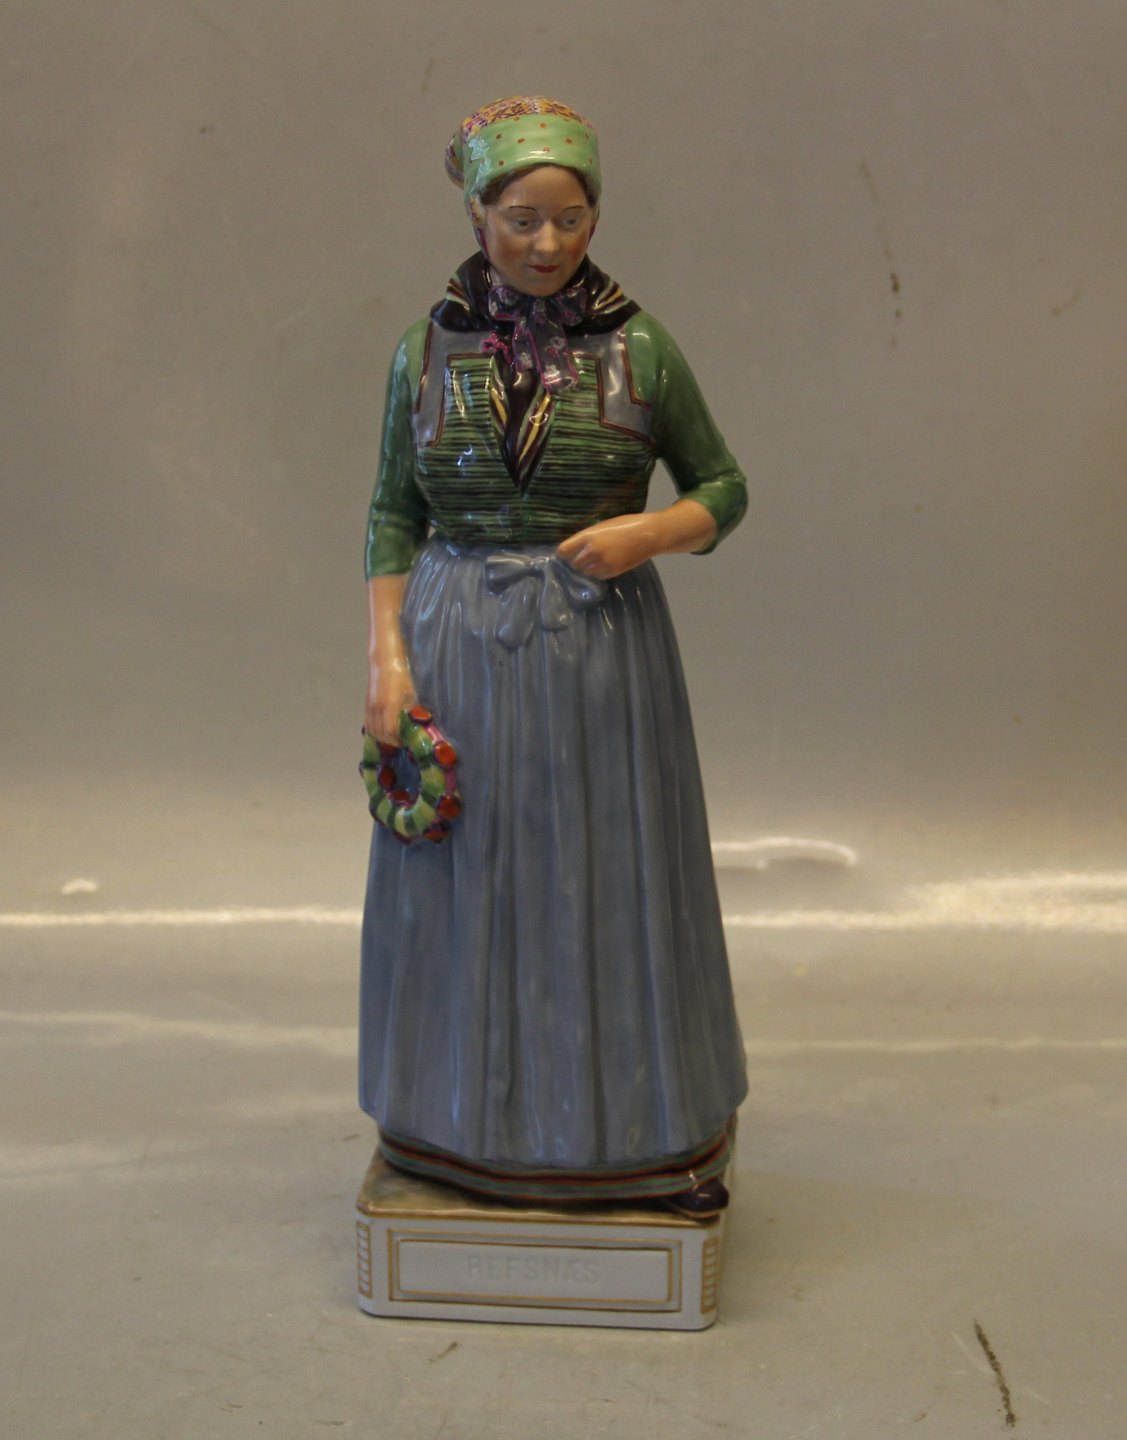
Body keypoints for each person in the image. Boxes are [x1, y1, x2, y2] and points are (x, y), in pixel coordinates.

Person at [359, 96, 747, 1217]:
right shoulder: (423, 353)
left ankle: (633, 1127)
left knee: (606, 869)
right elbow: (391, 514)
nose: (545, 243)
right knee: (465, 873)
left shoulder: (640, 348)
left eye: (568, 219)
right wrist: (387, 661)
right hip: (458, 642)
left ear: (595, 217)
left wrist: (652, 533)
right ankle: (452, 1120)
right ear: (478, 217)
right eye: (521, 219)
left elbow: (723, 486)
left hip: (599, 650)